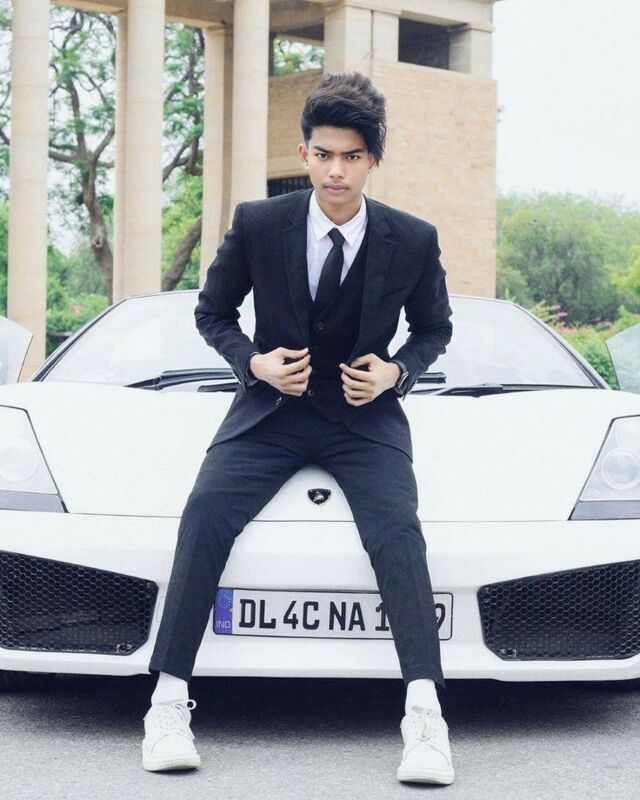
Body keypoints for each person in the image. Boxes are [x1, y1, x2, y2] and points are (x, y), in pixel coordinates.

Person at [141, 71, 455, 785]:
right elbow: (212, 313)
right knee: (205, 512)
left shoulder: (412, 238)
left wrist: (396, 373)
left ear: (373, 159)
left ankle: (426, 718)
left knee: (398, 532)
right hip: (271, 412)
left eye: (351, 156)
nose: (335, 170)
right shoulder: (260, 223)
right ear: (305, 153)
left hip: (363, 418)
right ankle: (166, 704)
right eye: (323, 154)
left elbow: (435, 329)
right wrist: (253, 363)